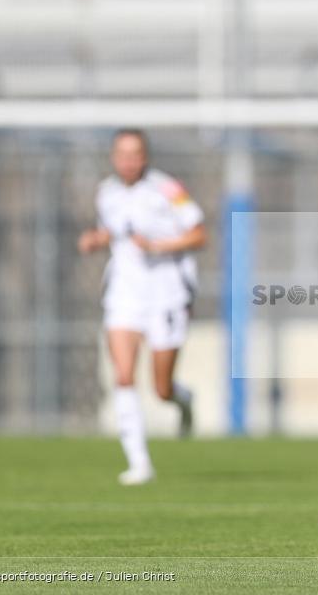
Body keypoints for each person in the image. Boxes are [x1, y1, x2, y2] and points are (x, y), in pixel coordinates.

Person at [78, 129, 206, 486]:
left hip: (166, 295)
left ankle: (182, 400)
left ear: (145, 157)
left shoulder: (168, 189)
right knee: (122, 376)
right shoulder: (107, 192)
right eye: (122, 153)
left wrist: (159, 246)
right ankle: (139, 463)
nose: (128, 160)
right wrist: (95, 239)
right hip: (124, 294)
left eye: (135, 154)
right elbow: (113, 232)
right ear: (113, 157)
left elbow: (199, 233)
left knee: (160, 388)